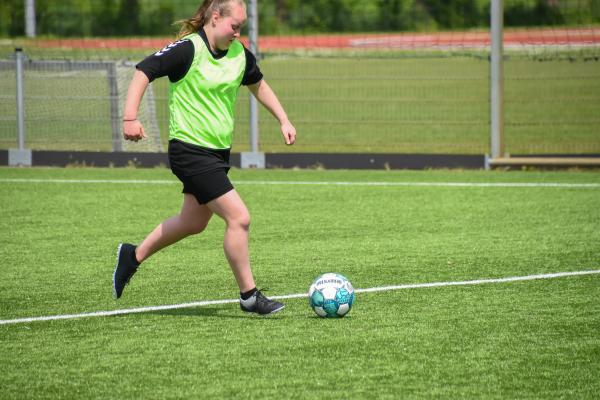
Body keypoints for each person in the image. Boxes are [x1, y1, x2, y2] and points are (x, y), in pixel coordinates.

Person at [113, 0, 296, 315]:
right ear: (215, 17)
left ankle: (133, 255)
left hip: (216, 153)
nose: (237, 34)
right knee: (239, 218)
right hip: (189, 151)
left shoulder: (239, 56)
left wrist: (283, 119)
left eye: (241, 28)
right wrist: (131, 117)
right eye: (234, 27)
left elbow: (259, 85)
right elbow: (144, 71)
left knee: (193, 222)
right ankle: (249, 296)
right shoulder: (187, 49)